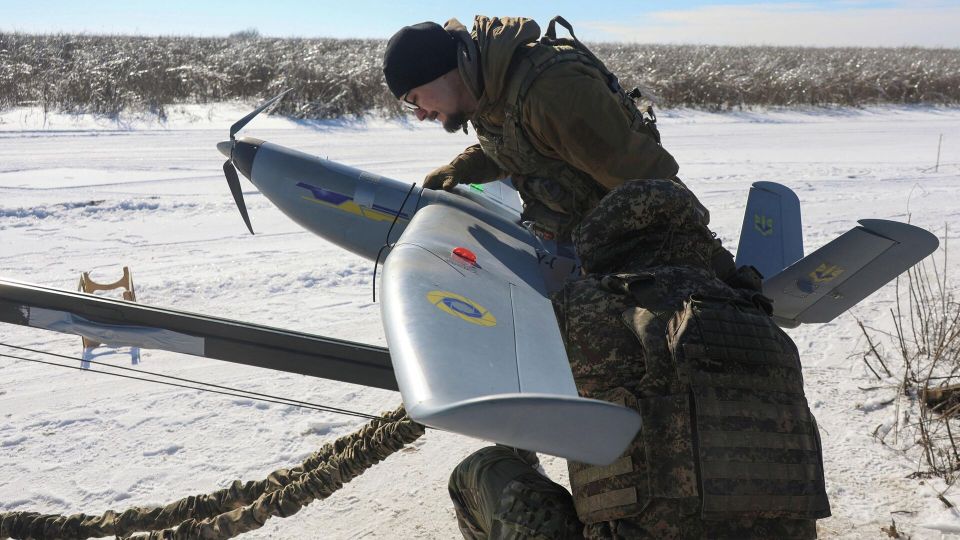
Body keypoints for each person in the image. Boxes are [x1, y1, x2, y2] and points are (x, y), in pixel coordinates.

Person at [383, 15, 830, 539]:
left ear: (446, 69)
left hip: (620, 258)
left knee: (495, 464)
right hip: (619, 252)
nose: (417, 112)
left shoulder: (552, 90)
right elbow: (526, 143)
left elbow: (648, 177)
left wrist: (627, 277)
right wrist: (466, 167)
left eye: (414, 96)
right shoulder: (494, 91)